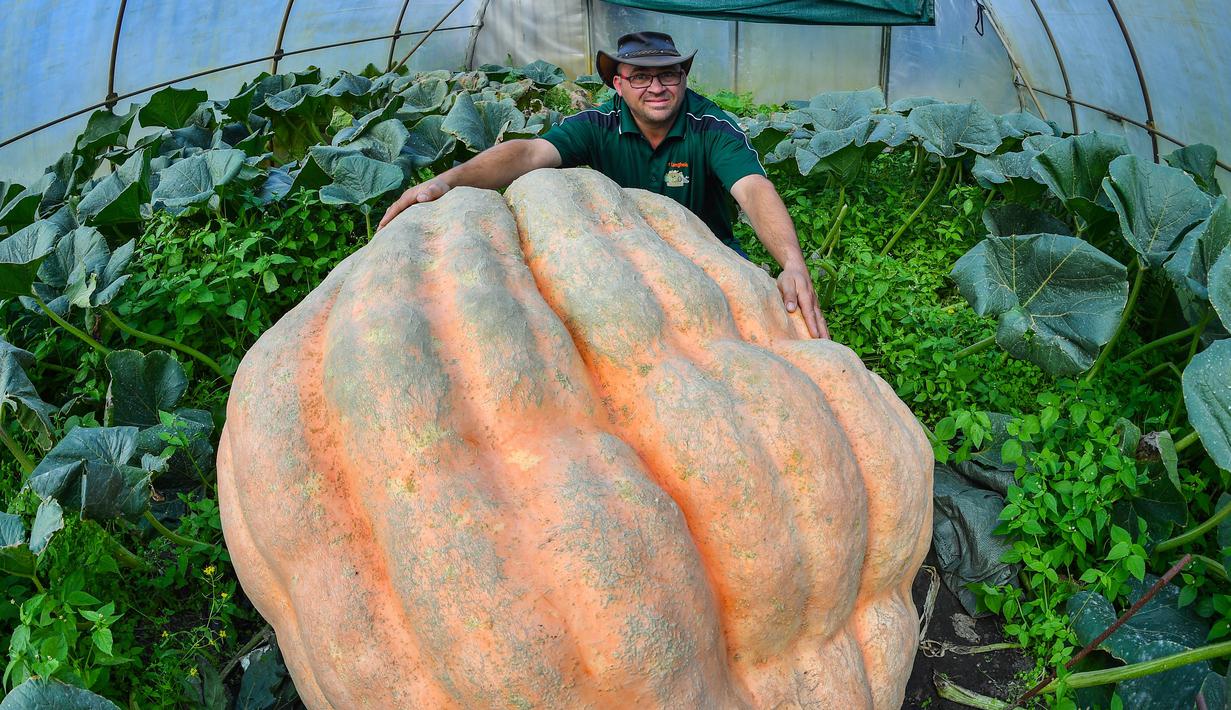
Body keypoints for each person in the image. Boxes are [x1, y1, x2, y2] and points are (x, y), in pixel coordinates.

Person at [379, 31, 828, 338]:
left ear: (683, 78)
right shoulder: (596, 125)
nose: (657, 87)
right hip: (624, 261)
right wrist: (445, 181)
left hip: (708, 256)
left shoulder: (709, 126)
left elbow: (752, 188)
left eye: (669, 74)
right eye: (640, 77)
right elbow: (529, 154)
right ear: (618, 83)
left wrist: (791, 262)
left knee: (763, 333)